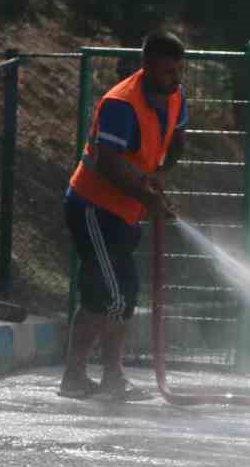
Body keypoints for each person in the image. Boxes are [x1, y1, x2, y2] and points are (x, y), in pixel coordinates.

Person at [59, 30, 190, 399]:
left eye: (179, 71)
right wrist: (149, 200)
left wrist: (159, 175)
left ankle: (102, 377)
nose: (176, 80)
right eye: (167, 72)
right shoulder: (121, 103)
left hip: (126, 211)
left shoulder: (175, 95)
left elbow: (177, 141)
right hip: (94, 208)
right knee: (113, 295)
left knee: (114, 294)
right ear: (147, 66)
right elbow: (108, 163)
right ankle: (83, 377)